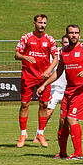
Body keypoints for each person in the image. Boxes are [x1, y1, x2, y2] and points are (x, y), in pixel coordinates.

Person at [38, 24, 83, 160]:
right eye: (71, 33)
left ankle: (78, 153)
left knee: (71, 118)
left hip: (82, 89)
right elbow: (58, 72)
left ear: (79, 35)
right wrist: (44, 85)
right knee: (62, 121)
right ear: (67, 35)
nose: (74, 35)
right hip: (69, 90)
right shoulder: (62, 52)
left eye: (76, 33)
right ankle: (62, 153)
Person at [14, 14, 59, 148]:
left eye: (44, 23)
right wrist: (25, 57)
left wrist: (49, 70)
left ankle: (40, 133)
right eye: (40, 23)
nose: (42, 25)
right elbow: (16, 55)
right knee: (24, 105)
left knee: (44, 105)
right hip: (28, 76)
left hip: (43, 78)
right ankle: (23, 134)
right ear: (34, 23)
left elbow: (56, 58)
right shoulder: (26, 38)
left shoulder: (49, 39)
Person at [34, 34, 69, 144]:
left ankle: (65, 137)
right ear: (61, 43)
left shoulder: (75, 53)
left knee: (67, 117)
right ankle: (39, 134)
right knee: (48, 112)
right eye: (65, 42)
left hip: (68, 88)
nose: (67, 44)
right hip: (55, 88)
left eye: (68, 42)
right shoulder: (56, 54)